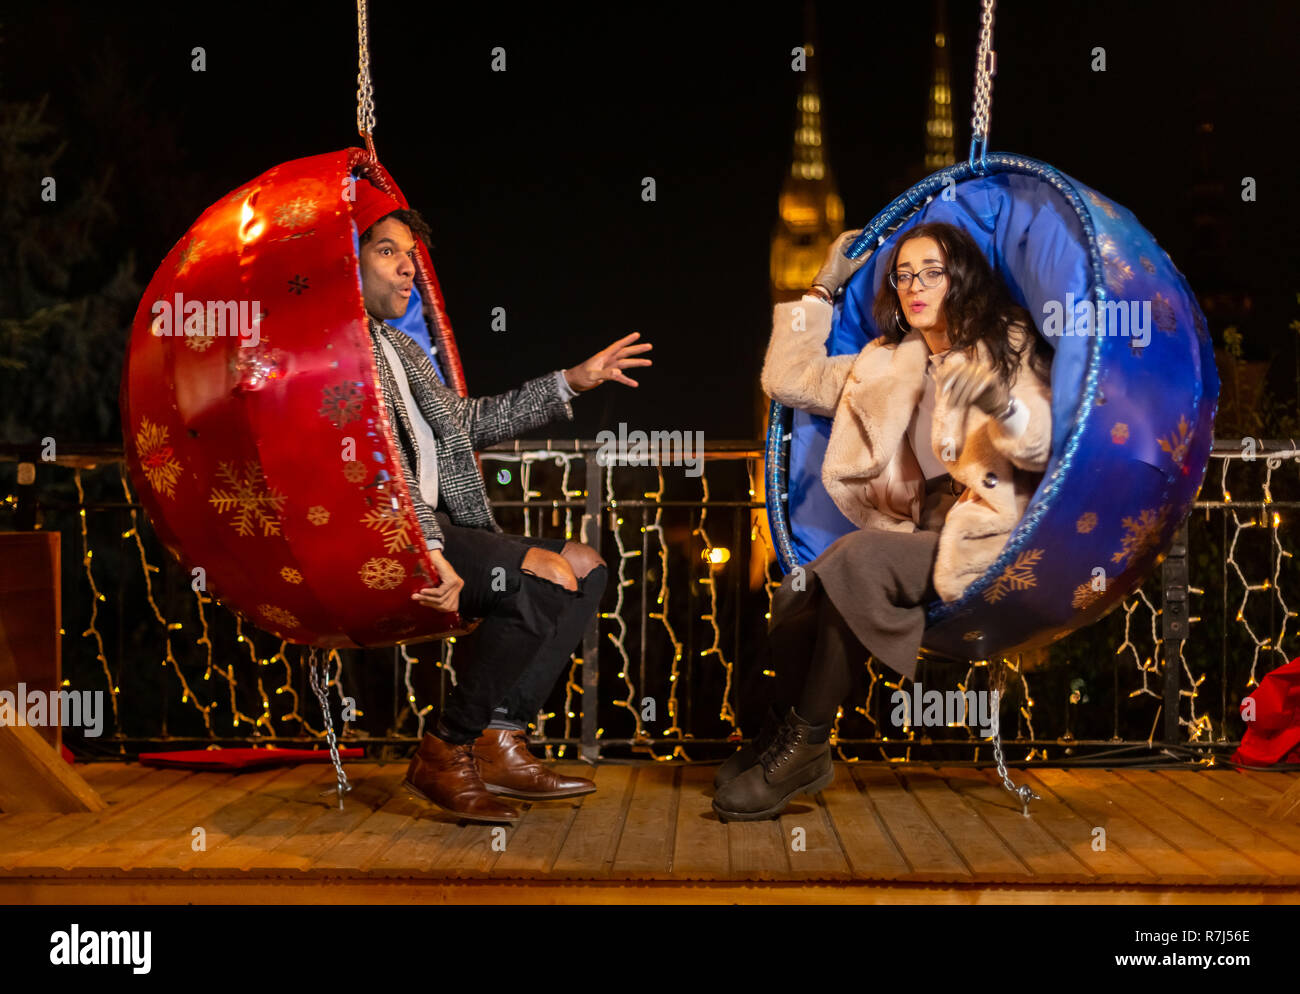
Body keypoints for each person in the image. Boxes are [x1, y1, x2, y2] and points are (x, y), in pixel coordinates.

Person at [713, 221, 1053, 821]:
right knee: (802, 587)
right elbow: (784, 380)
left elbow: (1039, 449)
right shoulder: (883, 362)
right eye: (902, 275)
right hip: (913, 540)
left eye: (930, 272)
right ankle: (779, 736)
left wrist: (993, 399)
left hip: (985, 537)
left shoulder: (1007, 342)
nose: (914, 286)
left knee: (856, 558)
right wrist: (821, 288)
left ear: (961, 277)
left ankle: (805, 748)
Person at [351, 178, 652, 823]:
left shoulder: (400, 347)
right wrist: (429, 549)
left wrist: (572, 380)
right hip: (400, 532)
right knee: (543, 581)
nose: (408, 266)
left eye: (410, 254)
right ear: (346, 262)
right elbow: (367, 467)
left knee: (588, 566)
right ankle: (444, 747)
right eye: (386, 251)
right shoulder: (338, 358)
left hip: (452, 522)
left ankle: (498, 736)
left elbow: (465, 422)